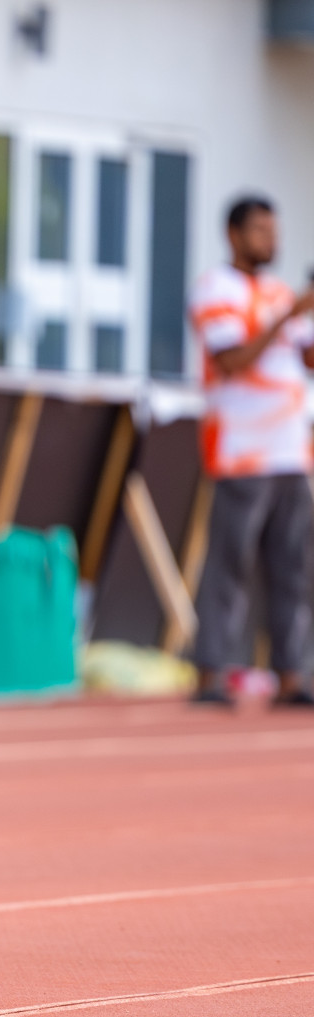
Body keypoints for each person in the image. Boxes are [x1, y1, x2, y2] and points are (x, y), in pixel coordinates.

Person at [188, 195, 314, 706]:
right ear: (234, 234)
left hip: (291, 451)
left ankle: (292, 673)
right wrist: (287, 317)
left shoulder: (282, 293)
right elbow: (233, 360)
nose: (271, 240)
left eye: (274, 230)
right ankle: (212, 670)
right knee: (231, 564)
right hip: (241, 450)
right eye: (260, 230)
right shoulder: (216, 290)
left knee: (295, 567)